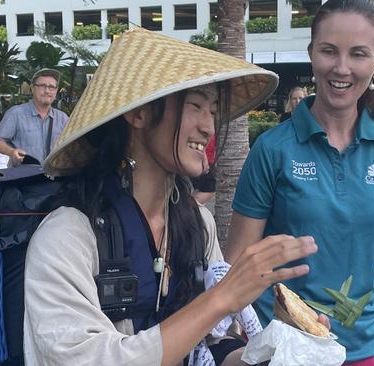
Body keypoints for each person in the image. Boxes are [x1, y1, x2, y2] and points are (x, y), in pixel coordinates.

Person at [23, 28, 325, 366]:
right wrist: (221, 298)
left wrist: (272, 351)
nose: (209, 127)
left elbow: (211, 345)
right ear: (137, 114)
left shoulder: (197, 223)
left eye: (212, 110)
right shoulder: (67, 235)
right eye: (195, 105)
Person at [226, 1, 374, 364]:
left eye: (358, 54)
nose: (342, 68)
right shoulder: (272, 149)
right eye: (329, 51)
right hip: (286, 351)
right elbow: (237, 261)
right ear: (311, 54)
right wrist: (237, 340)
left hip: (369, 349)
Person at [0, 68, 69, 166]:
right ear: (32, 88)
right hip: (23, 177)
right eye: (42, 86)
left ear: (56, 91)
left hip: (53, 177)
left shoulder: (63, 118)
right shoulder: (16, 114)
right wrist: (12, 152)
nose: (47, 91)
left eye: (52, 87)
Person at [191, 136, 216, 204]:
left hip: (207, 159)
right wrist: (204, 160)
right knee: (209, 188)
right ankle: (188, 207)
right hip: (202, 161)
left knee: (202, 187)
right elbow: (198, 140)